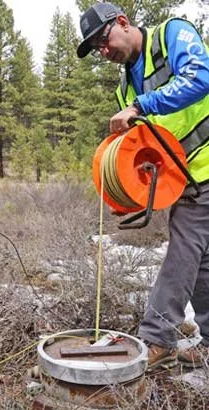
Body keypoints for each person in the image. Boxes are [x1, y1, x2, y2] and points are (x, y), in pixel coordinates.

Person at [77, 3, 209, 370]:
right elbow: (144, 150)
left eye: (103, 41)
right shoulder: (125, 89)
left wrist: (141, 105)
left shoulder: (172, 35)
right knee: (202, 261)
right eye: (96, 50)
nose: (104, 52)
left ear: (122, 22)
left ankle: (157, 337)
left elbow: (201, 77)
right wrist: (127, 190)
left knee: (184, 249)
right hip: (187, 179)